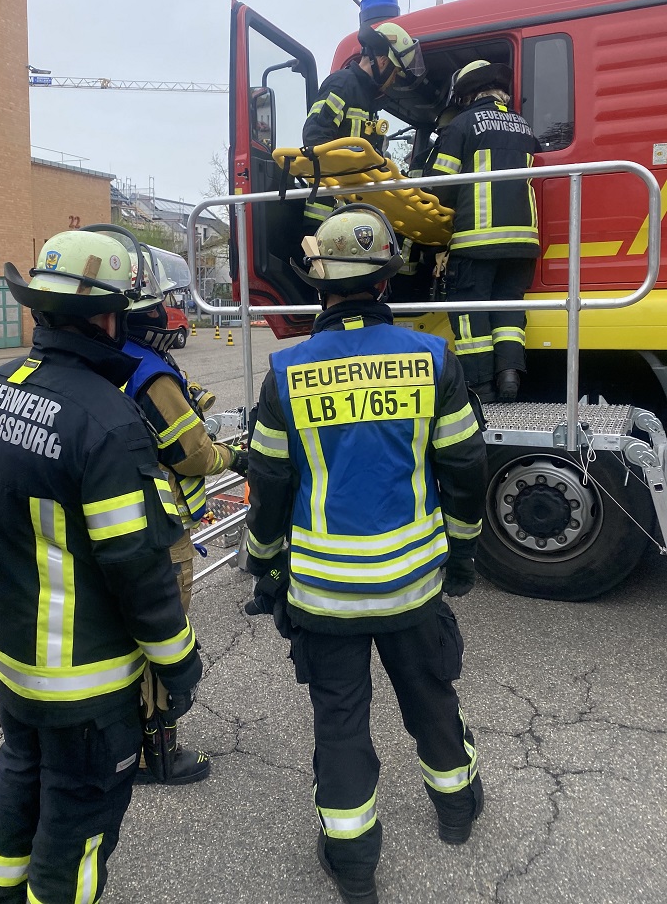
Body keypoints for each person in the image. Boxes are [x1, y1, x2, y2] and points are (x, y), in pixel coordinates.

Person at [244, 205, 488, 904]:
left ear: (320, 286)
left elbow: (269, 486)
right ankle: (458, 810)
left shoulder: (287, 371)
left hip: (325, 594)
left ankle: (353, 865)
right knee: (431, 699)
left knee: (341, 722)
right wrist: (463, 557)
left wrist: (264, 567)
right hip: (412, 585)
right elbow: (465, 468)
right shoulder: (433, 358)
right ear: (387, 279)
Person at [0, 230, 202, 904]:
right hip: (86, 687)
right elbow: (138, 569)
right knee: (77, 836)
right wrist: (180, 663)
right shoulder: (107, 421)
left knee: (16, 787)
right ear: (107, 318)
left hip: (11, 664)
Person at [86, 224, 248, 784]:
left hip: (108, 519)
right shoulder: (148, 372)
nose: (167, 319)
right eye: (159, 310)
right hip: (161, 527)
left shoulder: (106, 361)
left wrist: (192, 394)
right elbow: (193, 454)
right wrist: (236, 458)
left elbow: (174, 395)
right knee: (163, 631)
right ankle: (158, 753)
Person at [424, 60, 540, 402]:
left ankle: (480, 390)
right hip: (522, 243)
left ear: (466, 94)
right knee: (508, 309)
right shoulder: (523, 126)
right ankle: (508, 376)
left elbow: (440, 185)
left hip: (477, 241)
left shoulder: (461, 126)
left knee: (469, 312)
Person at [301, 23, 425, 230]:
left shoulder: (366, 97)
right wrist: (356, 157)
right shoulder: (342, 85)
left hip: (350, 210)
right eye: (394, 72)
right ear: (383, 61)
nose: (393, 80)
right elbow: (315, 136)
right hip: (328, 213)